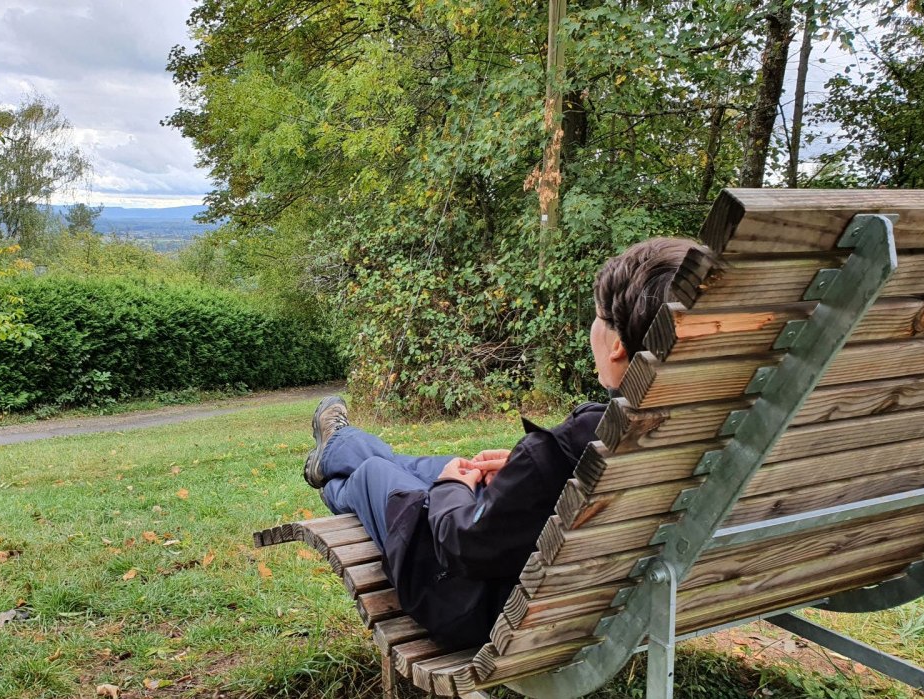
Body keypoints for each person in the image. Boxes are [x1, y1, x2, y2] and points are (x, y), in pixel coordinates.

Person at [302, 237, 704, 649]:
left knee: (376, 473)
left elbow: (463, 545)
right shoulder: (697, 429)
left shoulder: (564, 454)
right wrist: (520, 473)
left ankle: (337, 460)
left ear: (618, 344)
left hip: (475, 605)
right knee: (449, 464)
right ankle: (338, 448)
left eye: (599, 316)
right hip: (594, 601)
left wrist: (453, 487)